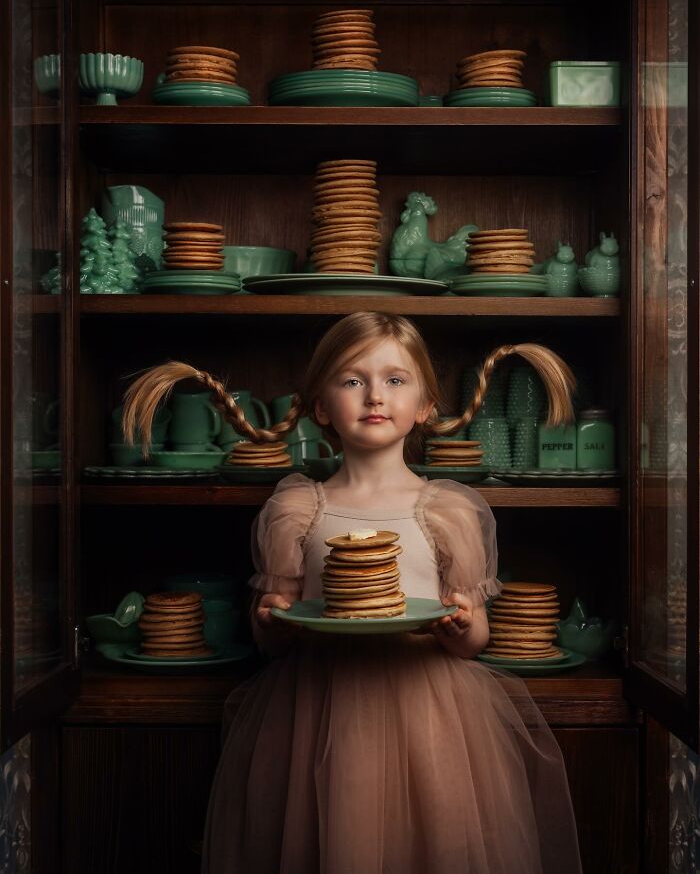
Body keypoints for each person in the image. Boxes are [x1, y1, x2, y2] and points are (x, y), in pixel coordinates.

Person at [123, 312, 583, 874]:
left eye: (395, 380)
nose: (374, 395)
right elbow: (273, 638)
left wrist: (463, 625)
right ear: (320, 406)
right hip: (315, 711)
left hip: (431, 715)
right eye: (351, 380)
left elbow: (474, 639)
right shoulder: (296, 510)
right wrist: (270, 617)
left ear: (424, 407)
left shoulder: (448, 510)